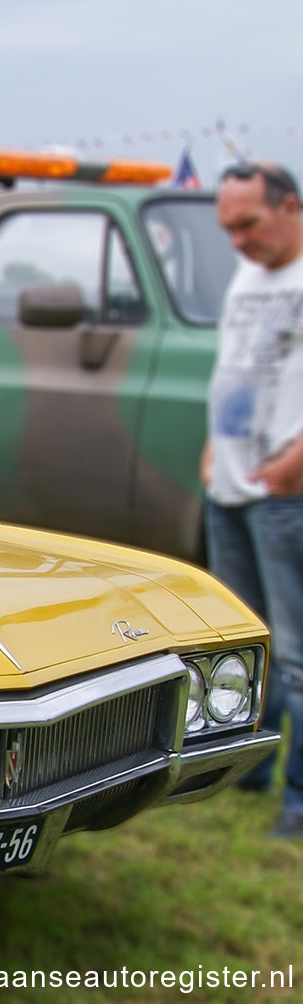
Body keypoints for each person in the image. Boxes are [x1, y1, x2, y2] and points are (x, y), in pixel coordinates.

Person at [205, 160, 303, 839]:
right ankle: (252, 768)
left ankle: (299, 800)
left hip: (285, 491)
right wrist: (213, 446)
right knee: (247, 639)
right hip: (231, 485)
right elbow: (234, 365)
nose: (238, 240)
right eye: (228, 228)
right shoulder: (250, 272)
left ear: (291, 207)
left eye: (249, 223)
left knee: (297, 652)